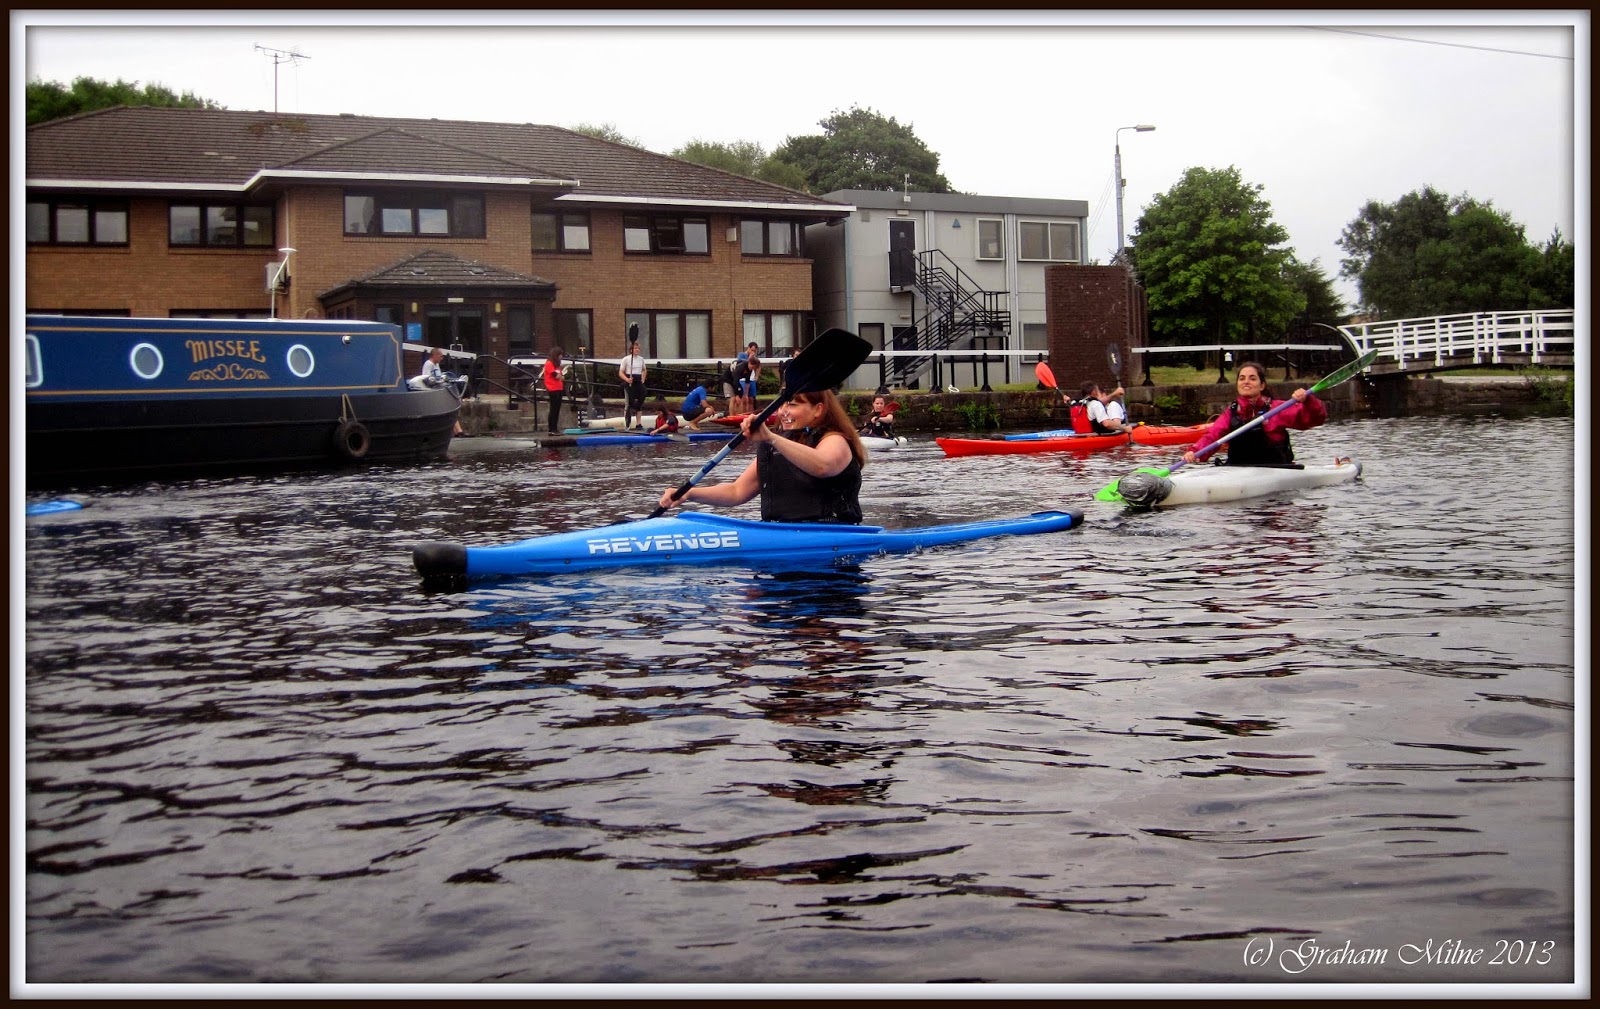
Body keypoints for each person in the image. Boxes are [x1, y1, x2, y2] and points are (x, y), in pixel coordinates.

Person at [657, 389, 866, 524]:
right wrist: (689, 493)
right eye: (782, 405)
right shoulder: (774, 446)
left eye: (792, 405)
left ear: (818, 410)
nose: (784, 411)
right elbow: (736, 491)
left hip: (832, 539)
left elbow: (824, 465)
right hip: (780, 536)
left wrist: (770, 437)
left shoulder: (835, 440)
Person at [1182, 360, 1328, 466]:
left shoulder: (1276, 409)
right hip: (1238, 471)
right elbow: (1212, 436)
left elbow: (1315, 419)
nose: (1246, 382)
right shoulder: (1231, 412)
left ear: (1262, 385)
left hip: (1275, 470)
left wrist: (1308, 401)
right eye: (1242, 378)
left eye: (1252, 378)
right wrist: (1195, 452)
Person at [410, 347, 465, 435]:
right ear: (434, 355)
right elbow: (427, 379)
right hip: (433, 394)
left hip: (439, 392)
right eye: (440, 356)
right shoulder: (428, 365)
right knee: (448, 410)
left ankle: (458, 432)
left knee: (450, 409)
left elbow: (439, 377)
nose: (442, 358)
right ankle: (458, 432)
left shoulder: (436, 365)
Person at [617, 333, 648, 430]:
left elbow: (644, 370)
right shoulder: (626, 359)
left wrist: (643, 378)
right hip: (630, 382)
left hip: (638, 381)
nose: (637, 350)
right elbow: (621, 372)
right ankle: (627, 423)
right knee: (628, 403)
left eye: (638, 349)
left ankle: (639, 423)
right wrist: (627, 379)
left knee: (641, 400)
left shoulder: (641, 359)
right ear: (631, 350)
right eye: (635, 348)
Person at [541, 346, 566, 435]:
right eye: (560, 355)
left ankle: (555, 428)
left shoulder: (556, 365)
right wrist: (560, 377)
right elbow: (556, 375)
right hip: (553, 388)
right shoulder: (549, 364)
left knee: (557, 409)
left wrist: (560, 377)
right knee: (553, 409)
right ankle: (551, 429)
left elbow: (562, 376)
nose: (561, 357)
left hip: (559, 388)